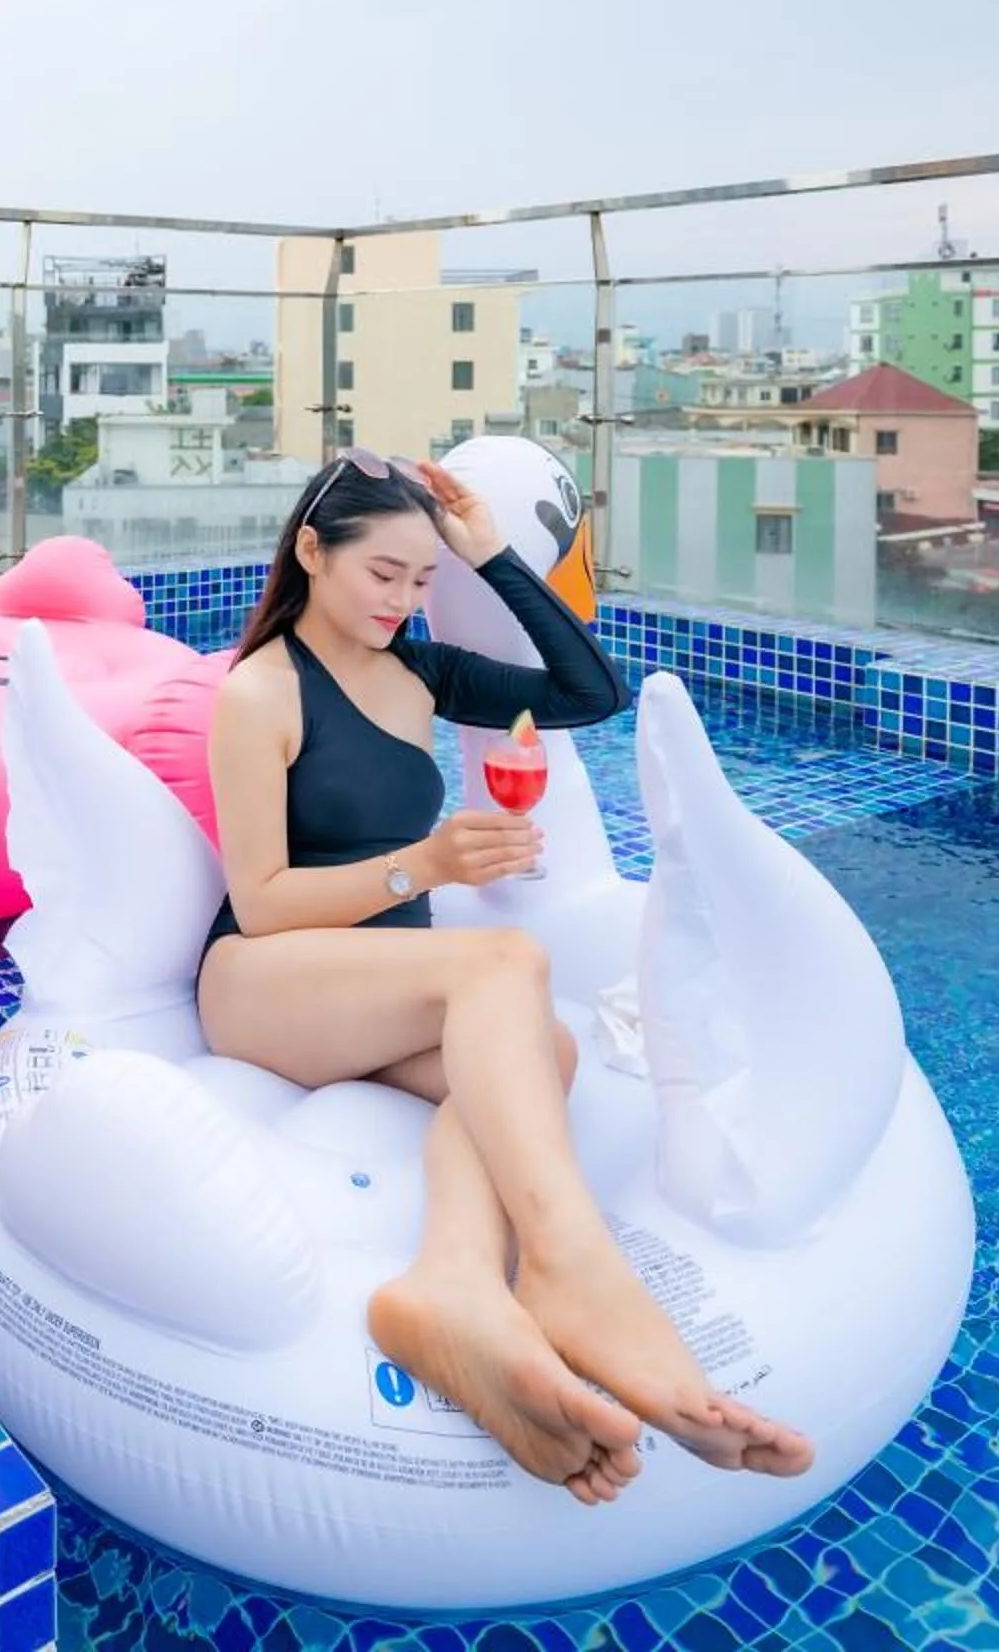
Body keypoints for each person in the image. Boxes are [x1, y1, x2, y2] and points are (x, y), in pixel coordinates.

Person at [197, 446, 816, 1506]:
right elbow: (259, 900)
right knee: (507, 961)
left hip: (375, 992)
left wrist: (487, 554)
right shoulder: (261, 693)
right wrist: (424, 866)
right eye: (381, 573)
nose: (401, 600)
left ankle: (452, 1286)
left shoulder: (420, 673)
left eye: (420, 579)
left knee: (549, 1046)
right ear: (311, 550)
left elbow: (589, 690)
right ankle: (571, 1265)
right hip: (263, 982)